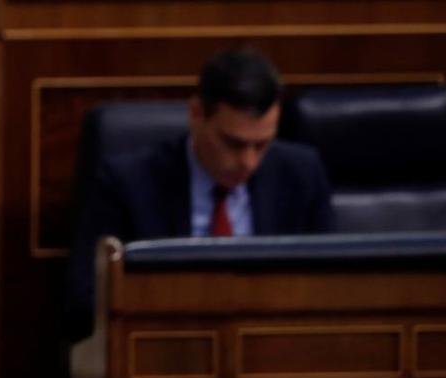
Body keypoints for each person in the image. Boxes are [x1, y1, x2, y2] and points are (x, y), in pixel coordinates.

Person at [66, 47, 334, 342]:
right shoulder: (128, 183)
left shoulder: (301, 175)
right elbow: (86, 295)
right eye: (233, 144)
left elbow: (329, 285)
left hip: (273, 346)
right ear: (195, 114)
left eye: (262, 145)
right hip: (166, 346)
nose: (249, 162)